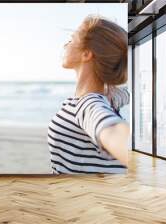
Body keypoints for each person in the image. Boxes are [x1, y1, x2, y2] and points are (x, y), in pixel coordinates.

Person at [48, 15, 130, 174]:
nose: (66, 44)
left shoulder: (89, 103)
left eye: (71, 40)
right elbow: (126, 94)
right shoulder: (111, 96)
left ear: (86, 54)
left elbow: (113, 134)